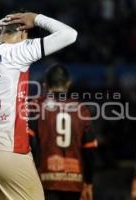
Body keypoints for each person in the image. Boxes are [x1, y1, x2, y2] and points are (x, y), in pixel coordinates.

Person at [0, 12, 77, 200]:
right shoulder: (19, 51)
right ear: (23, 33)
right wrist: (35, 17)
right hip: (10, 153)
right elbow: (70, 35)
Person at [29, 64, 98, 200]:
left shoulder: (36, 105)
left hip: (44, 179)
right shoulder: (82, 109)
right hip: (74, 180)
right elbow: (89, 150)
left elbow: (30, 143)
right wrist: (88, 182)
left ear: (45, 85)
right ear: (68, 83)